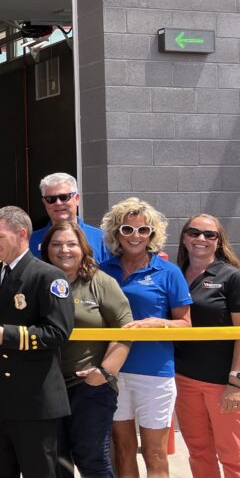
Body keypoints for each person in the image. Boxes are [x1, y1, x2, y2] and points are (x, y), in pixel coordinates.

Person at [0, 206, 74, 478]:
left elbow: (58, 332)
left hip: (33, 400)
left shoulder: (48, 277)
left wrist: (9, 336)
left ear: (21, 234)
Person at [98, 197, 191, 478]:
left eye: (143, 230)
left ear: (152, 234)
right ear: (117, 233)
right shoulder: (103, 271)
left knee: (154, 452)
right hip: (114, 372)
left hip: (155, 375)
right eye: (127, 229)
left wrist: (159, 323)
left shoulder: (169, 272)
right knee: (123, 450)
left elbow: (186, 325)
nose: (135, 236)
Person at [41, 221, 133, 478]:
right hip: (47, 388)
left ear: (83, 248)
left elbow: (125, 330)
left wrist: (104, 372)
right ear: (46, 249)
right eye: (56, 244)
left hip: (89, 388)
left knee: (92, 458)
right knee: (56, 462)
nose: (64, 250)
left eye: (71, 244)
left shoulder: (100, 282)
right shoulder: (36, 282)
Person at [173, 214, 240, 478]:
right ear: (184, 237)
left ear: (219, 240)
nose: (200, 239)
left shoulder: (231, 277)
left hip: (222, 383)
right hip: (184, 379)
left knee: (233, 455)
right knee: (199, 452)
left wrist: (235, 383)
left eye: (209, 234)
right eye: (194, 232)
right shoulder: (175, 274)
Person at [29, 173, 110, 263]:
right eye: (51, 199)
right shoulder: (31, 241)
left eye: (64, 197)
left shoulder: (101, 239)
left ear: (77, 199)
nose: (58, 203)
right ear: (44, 202)